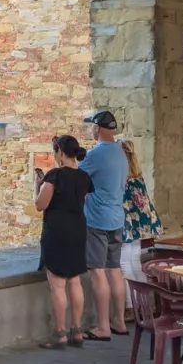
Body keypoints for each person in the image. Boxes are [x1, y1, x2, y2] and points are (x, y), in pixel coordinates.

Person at [34, 134, 93, 349]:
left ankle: (59, 334)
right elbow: (80, 201)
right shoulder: (85, 177)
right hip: (78, 230)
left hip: (57, 231)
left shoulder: (54, 176)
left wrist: (37, 186)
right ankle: (77, 331)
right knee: (74, 281)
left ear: (59, 152)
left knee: (58, 284)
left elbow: (41, 204)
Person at [78, 110, 130, 339]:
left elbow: (76, 178)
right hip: (117, 218)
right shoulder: (120, 152)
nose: (90, 130)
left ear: (97, 128)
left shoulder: (96, 153)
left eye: (91, 126)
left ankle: (102, 327)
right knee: (114, 270)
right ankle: (119, 321)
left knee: (97, 272)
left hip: (97, 219)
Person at [118, 140, 164, 312]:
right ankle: (144, 304)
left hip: (126, 222)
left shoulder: (122, 179)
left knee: (124, 262)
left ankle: (131, 305)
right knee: (135, 261)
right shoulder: (138, 177)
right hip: (139, 223)